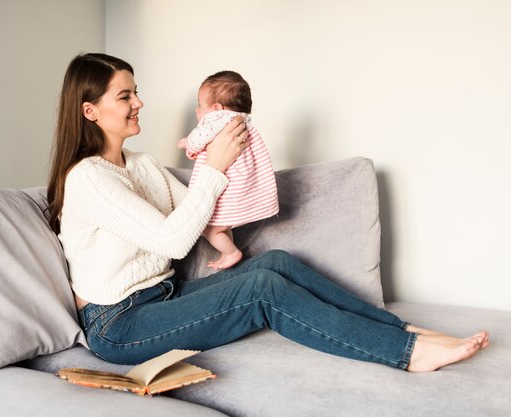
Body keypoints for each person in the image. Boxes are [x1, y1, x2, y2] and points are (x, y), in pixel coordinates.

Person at [47, 52, 489, 373]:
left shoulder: (141, 165)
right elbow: (173, 239)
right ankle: (406, 354)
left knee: (276, 262)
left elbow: (196, 216)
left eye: (136, 92)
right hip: (118, 324)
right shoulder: (87, 178)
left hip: (163, 296)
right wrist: (214, 167)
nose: (139, 102)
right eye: (125, 96)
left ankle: (404, 329)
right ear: (91, 111)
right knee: (263, 291)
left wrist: (235, 172)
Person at [177, 71, 279, 270]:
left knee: (208, 227)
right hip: (241, 185)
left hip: (228, 185)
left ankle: (231, 252)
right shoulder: (243, 122)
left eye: (199, 104)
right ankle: (229, 251)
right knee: (222, 225)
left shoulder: (215, 120)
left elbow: (198, 139)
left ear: (216, 109)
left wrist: (186, 143)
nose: (196, 109)